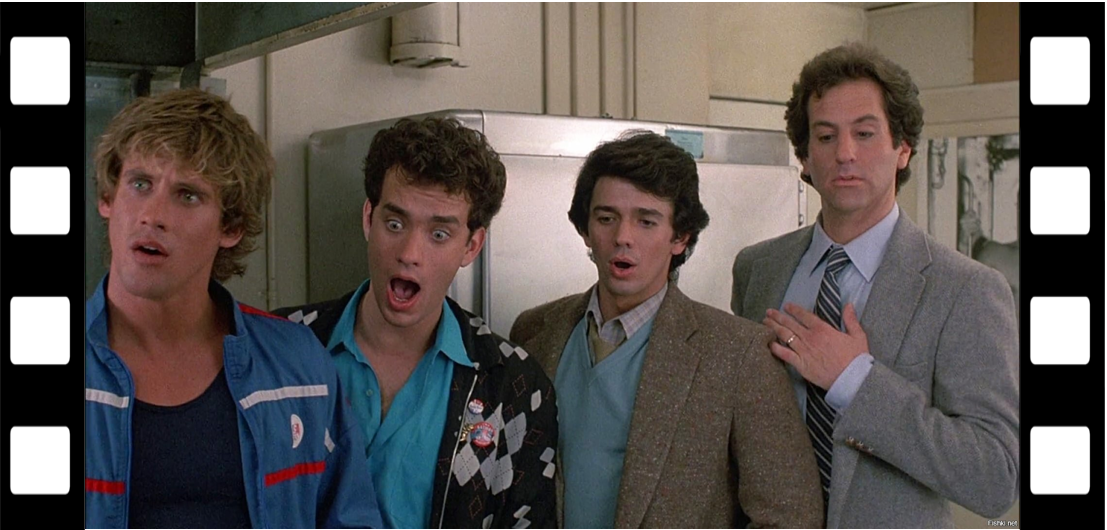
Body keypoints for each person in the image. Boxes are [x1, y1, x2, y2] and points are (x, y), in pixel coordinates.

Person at [731, 43, 1019, 528]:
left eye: (865, 134)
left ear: (902, 148)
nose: (845, 153)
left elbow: (995, 478)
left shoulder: (965, 289)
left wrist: (855, 381)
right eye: (826, 136)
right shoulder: (757, 269)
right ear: (804, 157)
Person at [85, 88, 382, 528]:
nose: (152, 214)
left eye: (187, 195)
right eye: (140, 184)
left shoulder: (297, 366)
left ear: (231, 226)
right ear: (108, 198)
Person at [510, 131, 823, 528]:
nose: (623, 237)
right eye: (606, 218)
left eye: (646, 221)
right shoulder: (535, 332)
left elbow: (790, 515)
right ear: (585, 230)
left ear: (680, 237)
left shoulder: (738, 355)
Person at [274, 117, 557, 528]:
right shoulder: (280, 348)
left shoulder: (513, 386)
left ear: (471, 245)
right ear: (368, 219)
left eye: (439, 234)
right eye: (395, 224)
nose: (409, 253)